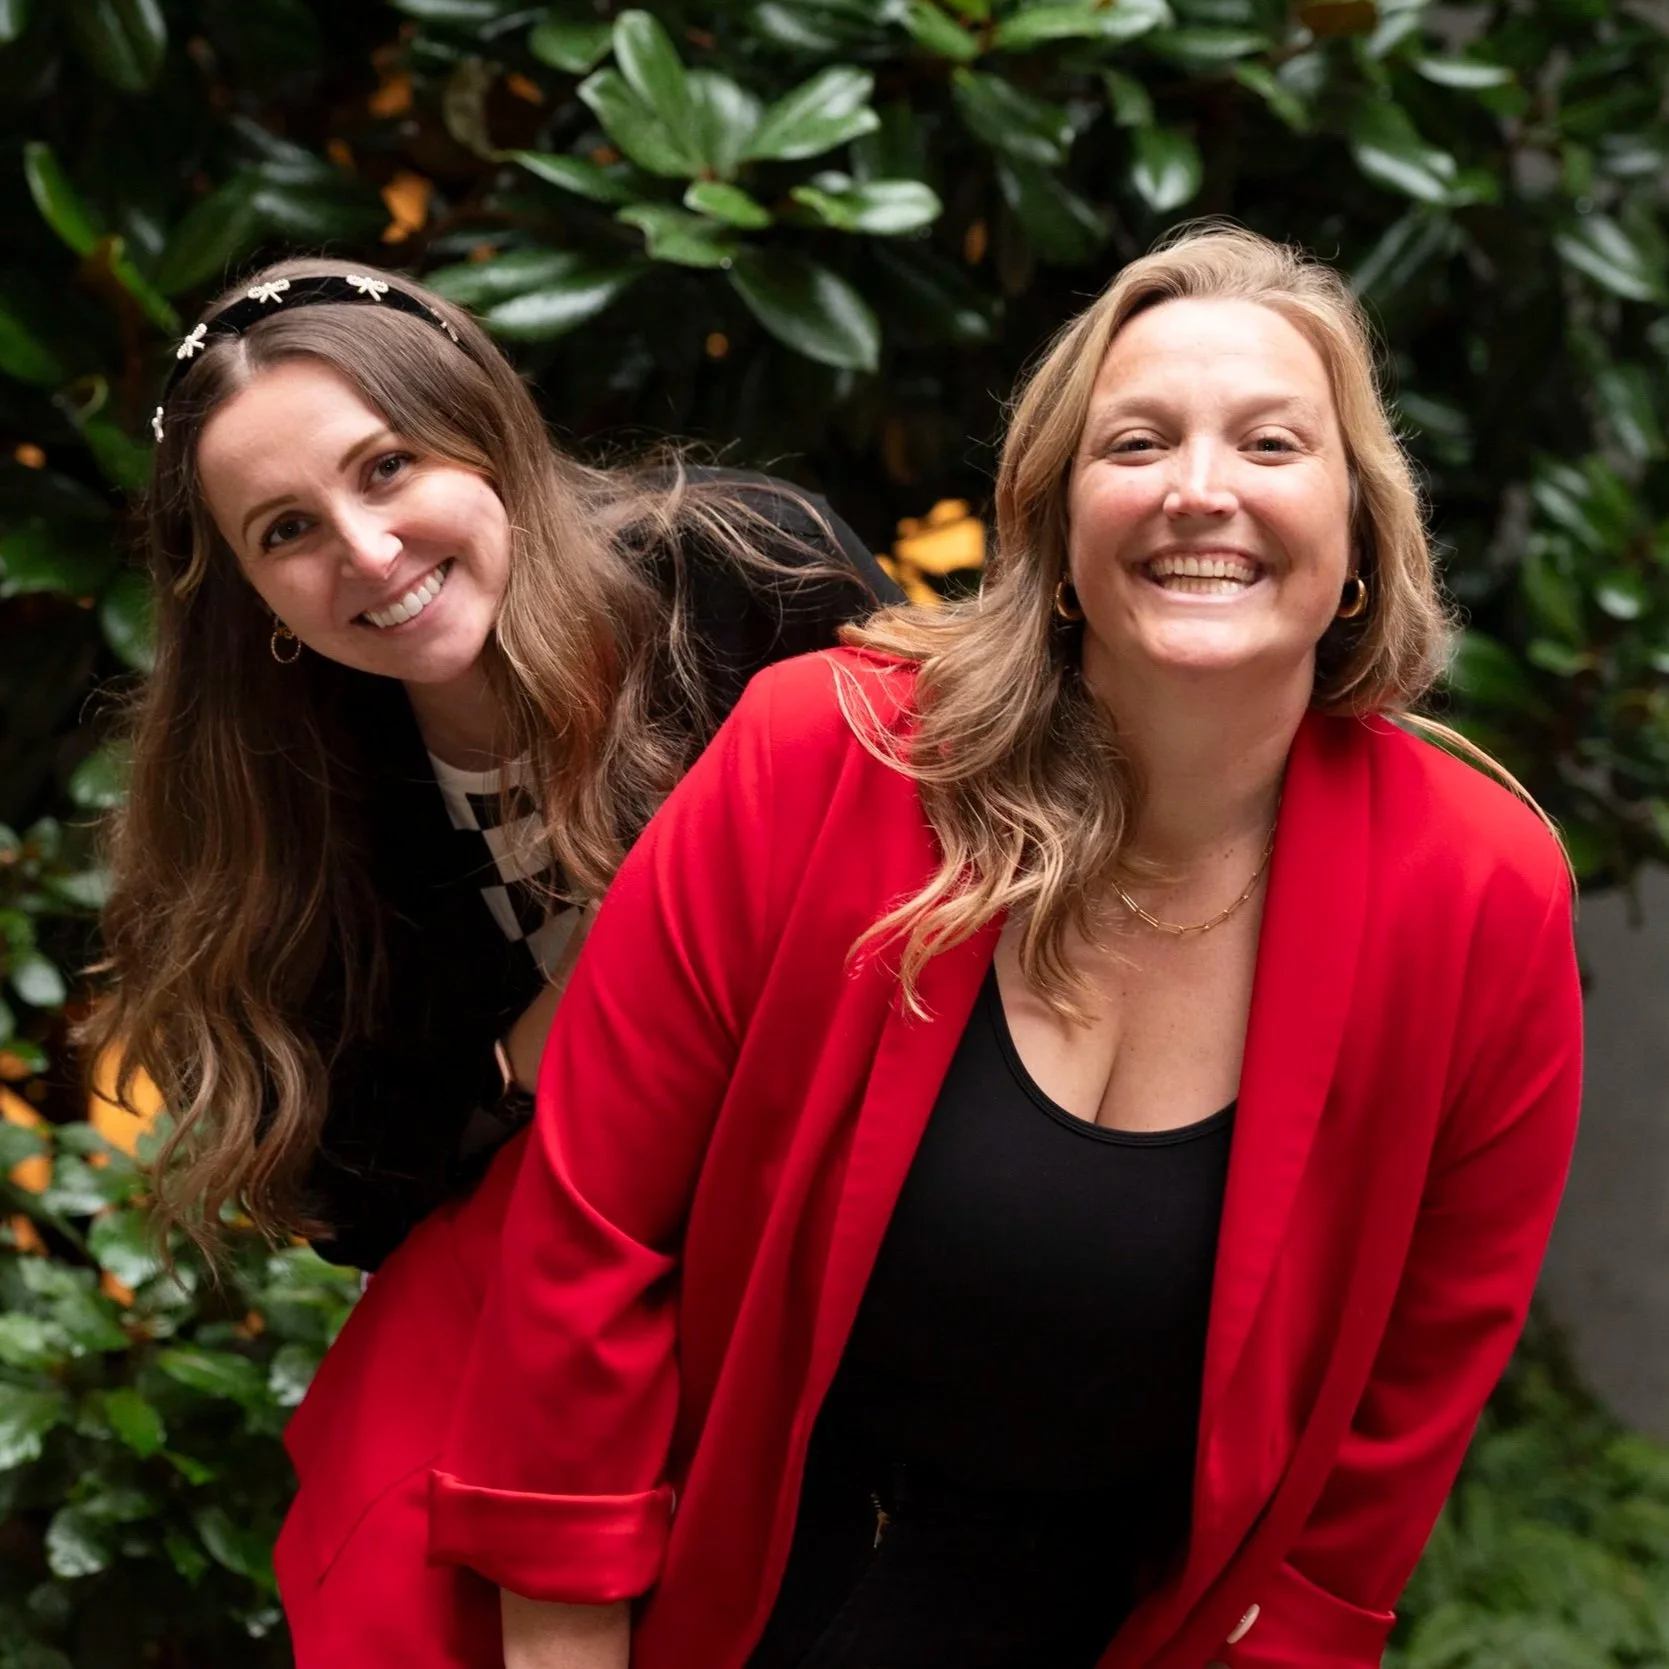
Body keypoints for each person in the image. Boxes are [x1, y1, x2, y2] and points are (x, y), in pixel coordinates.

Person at [425, 225, 1583, 1669]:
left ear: (1360, 538)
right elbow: (592, 1236)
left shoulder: (1480, 892)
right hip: (719, 1612)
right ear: (1051, 531)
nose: (1200, 490)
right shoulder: (821, 755)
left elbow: (1394, 1434)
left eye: (1273, 444)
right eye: (1137, 441)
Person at [82, 257, 895, 1663]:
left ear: (486, 432)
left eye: (387, 465)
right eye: (289, 529)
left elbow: (958, 865)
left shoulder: (744, 576)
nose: (369, 551)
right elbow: (360, 1195)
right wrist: (563, 1035)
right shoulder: (299, 808)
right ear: (262, 596)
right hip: (597, 1327)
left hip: (877, 1209)